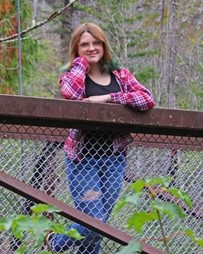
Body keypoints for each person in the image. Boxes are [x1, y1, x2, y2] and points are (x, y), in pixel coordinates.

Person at [45, 22, 155, 254]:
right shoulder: (73, 75)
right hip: (83, 159)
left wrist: (108, 98)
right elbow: (70, 94)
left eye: (96, 43)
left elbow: (146, 99)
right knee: (94, 222)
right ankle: (55, 242)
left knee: (100, 225)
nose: (91, 48)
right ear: (76, 48)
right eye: (84, 44)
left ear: (104, 45)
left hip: (114, 160)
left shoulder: (120, 74)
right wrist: (81, 63)